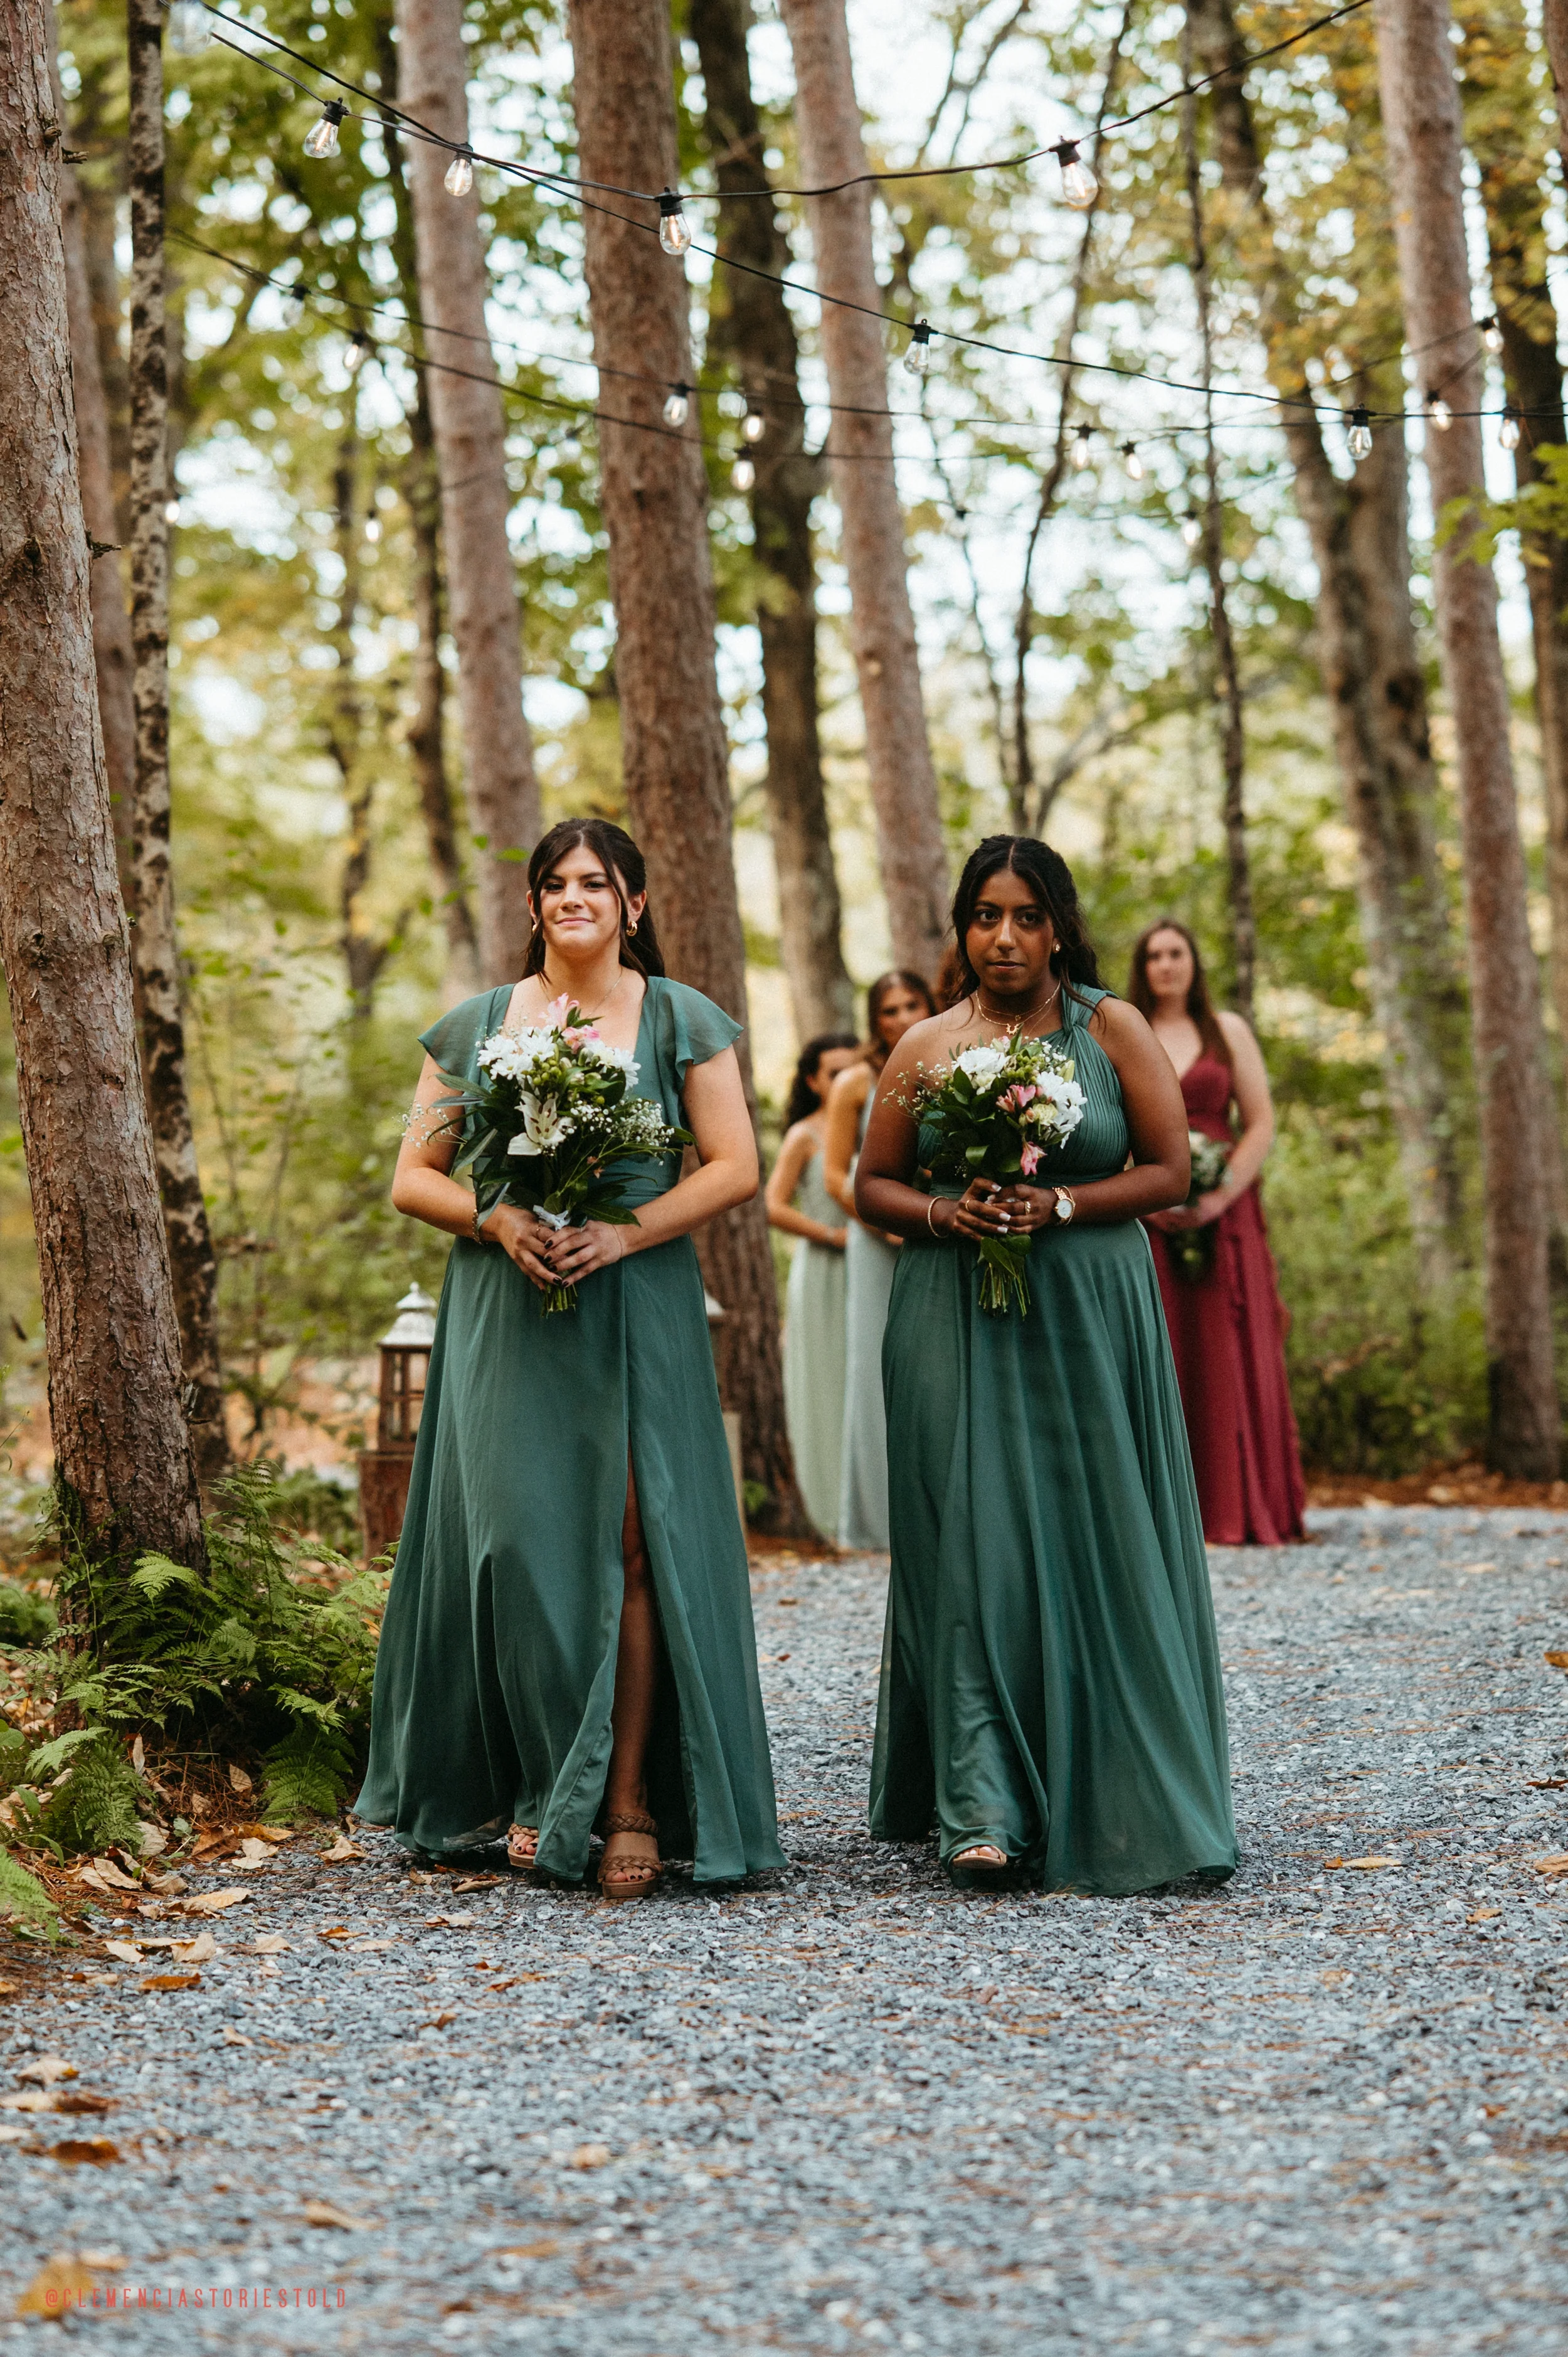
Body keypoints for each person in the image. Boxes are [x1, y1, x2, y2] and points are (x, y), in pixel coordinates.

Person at [355, 818, 785, 1903]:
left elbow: (736, 1166)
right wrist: (495, 1219)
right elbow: (414, 1179)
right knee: (517, 1546)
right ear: (535, 904)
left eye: (597, 882)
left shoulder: (683, 1018)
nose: (574, 898)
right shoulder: (482, 1022)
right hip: (509, 1303)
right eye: (555, 884)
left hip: (635, 1297)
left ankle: (629, 1797)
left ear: (635, 903)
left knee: (638, 1540)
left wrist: (629, 1233)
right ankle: (542, 1784)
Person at [855, 836, 1236, 1892]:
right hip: (951, 1304)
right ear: (961, 927)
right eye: (986, 915)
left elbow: (1165, 1168)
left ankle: (1109, 1775)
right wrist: (946, 1208)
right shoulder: (926, 1042)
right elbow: (870, 1185)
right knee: (970, 1532)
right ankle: (981, 1803)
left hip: (1086, 1304)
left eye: (1027, 916)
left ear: (1061, 925)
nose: (1006, 936)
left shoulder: (1109, 1026)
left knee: (1090, 1529)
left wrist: (1059, 1200)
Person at [1131, 920, 1306, 1547]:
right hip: (1150, 1212)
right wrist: (1145, 1195)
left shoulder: (1226, 1031)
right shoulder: (1128, 1030)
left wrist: (1219, 1194)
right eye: (1154, 955)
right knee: (1164, 1347)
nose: (1166, 964)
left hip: (1224, 1213)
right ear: (1142, 966)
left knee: (1225, 1349)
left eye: (1177, 952)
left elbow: (1259, 1122)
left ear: (1193, 961)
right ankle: (1165, 1513)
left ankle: (1239, 1502)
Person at [822, 972, 939, 1551]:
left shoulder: (951, 1061)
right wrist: (887, 1226)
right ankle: (876, 1519)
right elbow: (835, 1174)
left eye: (911, 1004)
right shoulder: (854, 1082)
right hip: (876, 1240)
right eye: (888, 1008)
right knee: (875, 1367)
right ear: (875, 1019)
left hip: (941, 1234)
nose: (900, 1016)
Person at [765, 1031, 861, 1540]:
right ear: (812, 1081)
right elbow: (772, 1205)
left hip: (873, 1265)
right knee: (827, 1380)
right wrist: (830, 1234)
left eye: (852, 1069)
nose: (844, 1079)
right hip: (824, 1268)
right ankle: (830, 1513)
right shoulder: (804, 1134)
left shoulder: (870, 1121)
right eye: (833, 1073)